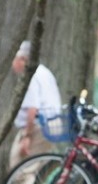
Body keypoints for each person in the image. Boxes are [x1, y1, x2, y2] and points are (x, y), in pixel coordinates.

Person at [9, 41, 62, 169]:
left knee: (20, 170)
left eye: (14, 59)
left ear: (23, 59)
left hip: (39, 126)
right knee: (35, 169)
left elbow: (32, 108)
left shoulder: (30, 76)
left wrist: (27, 136)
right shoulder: (45, 72)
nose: (12, 64)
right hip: (54, 124)